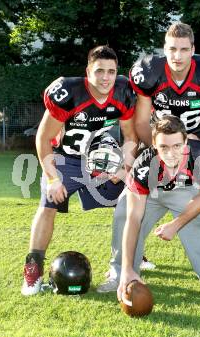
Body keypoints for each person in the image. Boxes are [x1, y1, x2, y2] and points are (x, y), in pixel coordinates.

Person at [21, 45, 138, 296]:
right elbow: (43, 139)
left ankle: (128, 261)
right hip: (65, 159)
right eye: (99, 71)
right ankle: (33, 272)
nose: (106, 77)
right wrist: (52, 178)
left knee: (130, 199)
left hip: (101, 160)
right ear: (88, 71)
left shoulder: (123, 91)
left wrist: (123, 168)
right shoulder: (69, 93)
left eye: (111, 71)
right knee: (48, 205)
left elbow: (130, 137)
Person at [98, 116, 200, 298]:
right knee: (124, 213)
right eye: (164, 147)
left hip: (187, 190)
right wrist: (125, 269)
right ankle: (121, 273)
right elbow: (133, 217)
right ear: (154, 144)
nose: (171, 153)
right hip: (151, 192)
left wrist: (175, 224)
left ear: (186, 142)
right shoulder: (144, 164)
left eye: (177, 146)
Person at [129, 22, 200, 258]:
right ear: (164, 49)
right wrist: (160, 149)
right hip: (160, 144)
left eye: (184, 49)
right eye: (172, 49)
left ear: (193, 49)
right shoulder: (149, 71)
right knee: (142, 194)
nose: (178, 55)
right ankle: (136, 252)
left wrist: (195, 147)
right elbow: (142, 123)